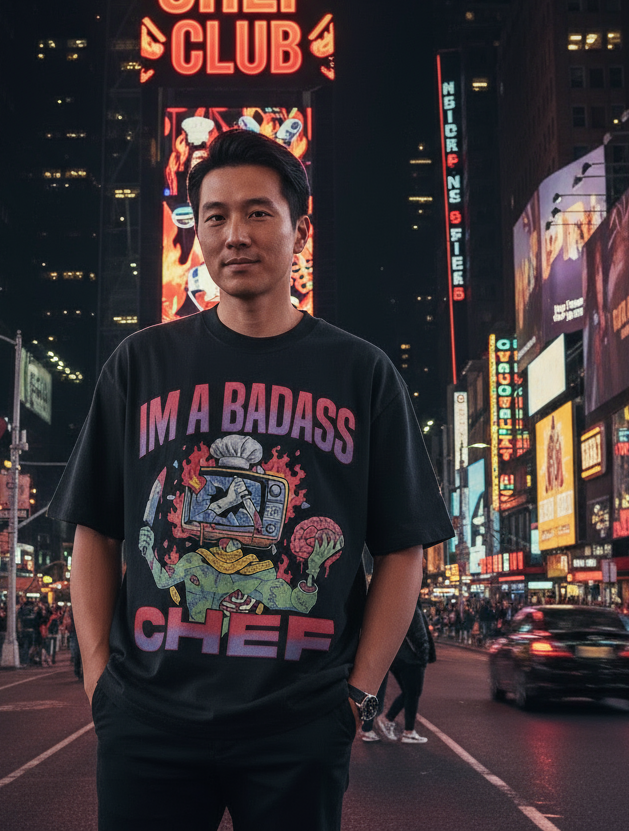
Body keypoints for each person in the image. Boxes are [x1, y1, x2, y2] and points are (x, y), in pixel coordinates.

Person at [50, 128, 453, 831]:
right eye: (216, 216)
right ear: (197, 233)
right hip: (149, 721)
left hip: (299, 724)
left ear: (300, 230)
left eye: (258, 212)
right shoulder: (140, 365)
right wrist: (96, 679)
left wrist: (357, 697)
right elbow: (97, 528)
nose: (235, 234)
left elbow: (403, 548)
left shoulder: (362, 374)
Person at [374, 606, 432, 744]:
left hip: (397, 658)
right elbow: (420, 636)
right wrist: (423, 659)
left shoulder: (396, 609)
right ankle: (408, 731)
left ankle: (389, 719)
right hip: (411, 660)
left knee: (408, 693)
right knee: (413, 694)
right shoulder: (413, 610)